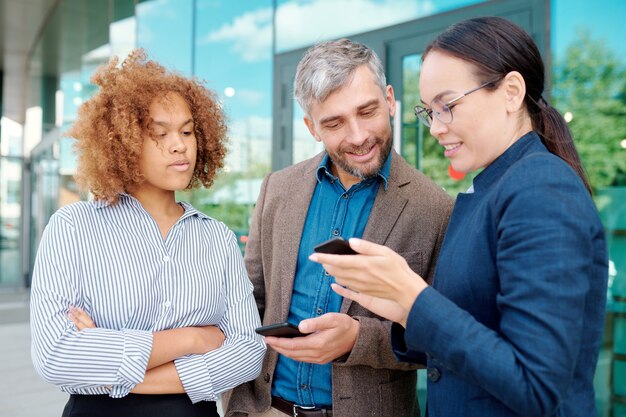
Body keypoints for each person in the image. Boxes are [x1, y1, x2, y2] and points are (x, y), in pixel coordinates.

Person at [310, 16, 609, 417]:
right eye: (428, 111)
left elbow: (537, 386)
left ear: (511, 92)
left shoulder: (541, 189)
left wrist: (415, 298)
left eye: (447, 106)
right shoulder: (492, 188)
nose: (435, 128)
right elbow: (477, 334)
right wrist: (401, 312)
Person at [30, 49, 266, 417]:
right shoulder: (73, 227)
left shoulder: (217, 238)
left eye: (187, 131)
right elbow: (56, 356)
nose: (179, 144)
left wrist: (111, 366)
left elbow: (249, 354)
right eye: (160, 133)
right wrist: (193, 338)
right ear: (121, 141)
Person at [224, 39, 453, 417]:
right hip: (267, 409)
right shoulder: (276, 189)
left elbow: (441, 340)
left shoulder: (436, 209)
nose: (359, 135)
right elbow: (249, 299)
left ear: (391, 100)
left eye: (368, 111)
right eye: (334, 123)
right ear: (311, 127)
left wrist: (357, 340)